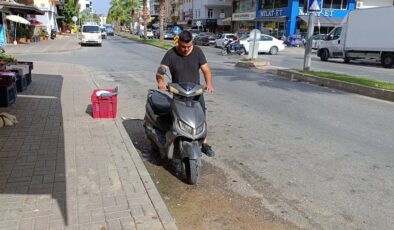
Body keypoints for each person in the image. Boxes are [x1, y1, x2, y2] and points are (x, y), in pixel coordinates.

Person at [156, 30, 215, 157]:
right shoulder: (171, 54)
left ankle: (204, 142)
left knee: (201, 116)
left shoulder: (198, 51)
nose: (186, 49)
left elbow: (206, 70)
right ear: (178, 43)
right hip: (179, 92)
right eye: (183, 46)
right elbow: (160, 71)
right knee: (176, 116)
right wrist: (161, 81)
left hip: (195, 92)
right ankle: (176, 138)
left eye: (189, 46)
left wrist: (209, 84)